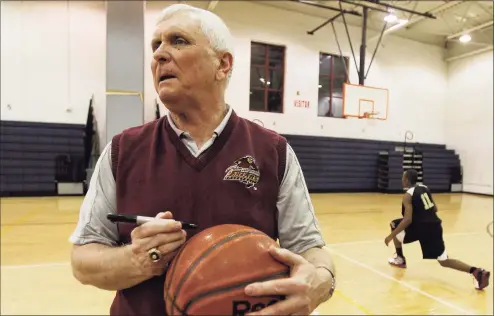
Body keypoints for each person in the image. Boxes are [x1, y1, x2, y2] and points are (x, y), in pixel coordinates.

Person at [69, 4, 336, 315]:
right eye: (156, 45)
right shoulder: (122, 150)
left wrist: (320, 282)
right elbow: (82, 261)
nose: (158, 55)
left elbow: (310, 249)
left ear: (222, 65)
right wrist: (136, 259)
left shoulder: (272, 151)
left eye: (178, 41)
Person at [385, 169, 490, 290]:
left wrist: (391, 236)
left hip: (420, 228)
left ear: (407, 180)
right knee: (444, 260)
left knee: (394, 225)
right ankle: (476, 271)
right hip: (435, 226)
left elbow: (407, 219)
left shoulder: (408, 195)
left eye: (403, 178)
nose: (402, 180)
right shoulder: (424, 188)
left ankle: (400, 259)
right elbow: (435, 208)